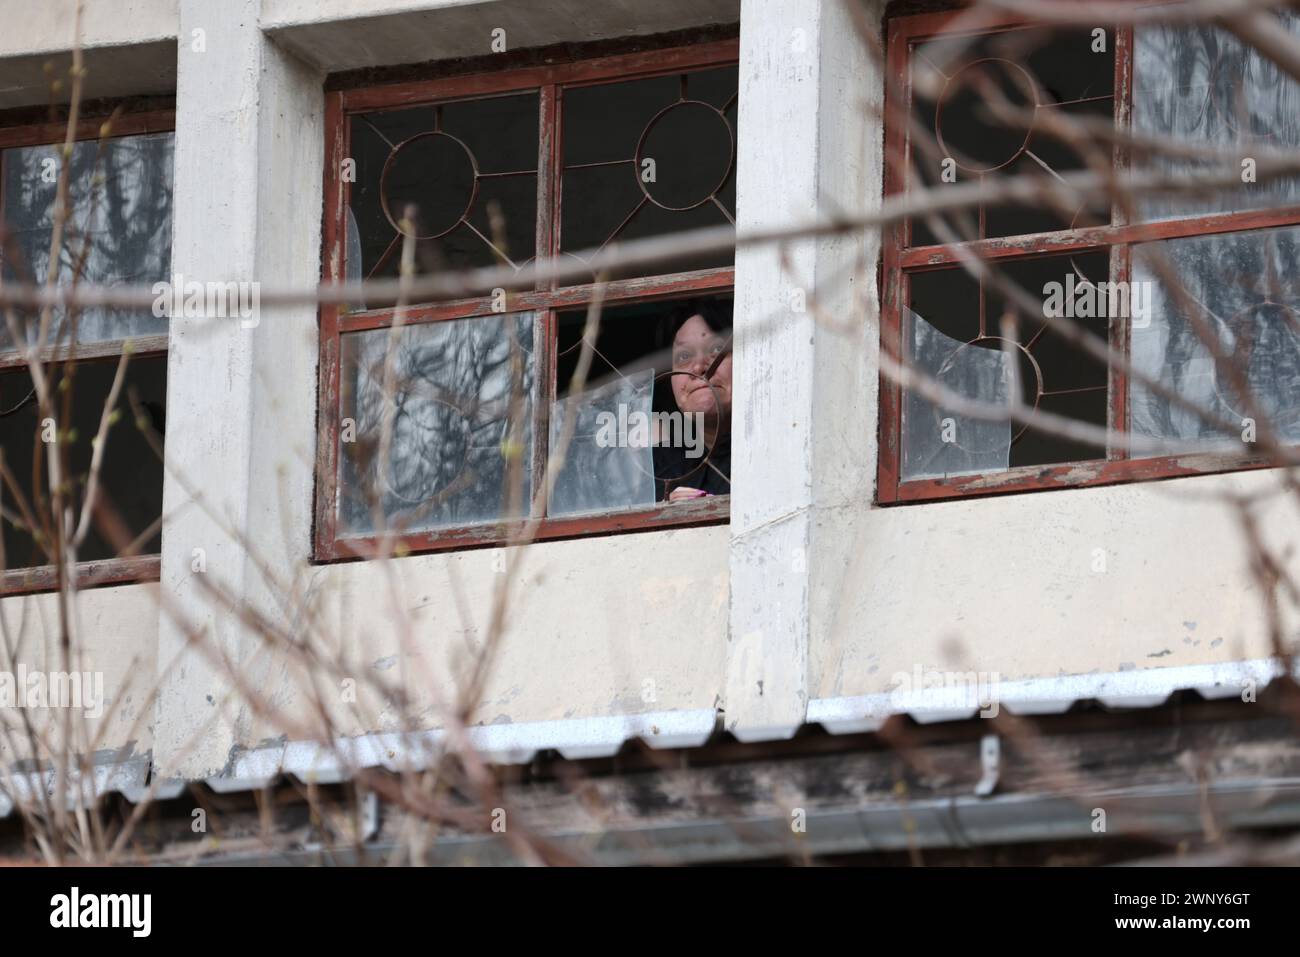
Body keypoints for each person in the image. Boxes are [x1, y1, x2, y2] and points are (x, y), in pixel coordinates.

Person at [653, 299, 732, 501]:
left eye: (716, 349)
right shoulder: (655, 471)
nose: (698, 368)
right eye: (684, 356)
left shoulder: (778, 448)